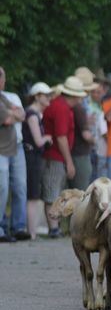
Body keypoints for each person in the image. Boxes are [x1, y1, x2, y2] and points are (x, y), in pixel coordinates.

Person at [42, 76, 88, 237]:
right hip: (55, 156)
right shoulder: (61, 108)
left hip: (56, 155)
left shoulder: (61, 105)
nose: (81, 98)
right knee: (53, 191)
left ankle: (56, 228)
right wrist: (69, 162)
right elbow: (61, 137)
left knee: (55, 189)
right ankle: (54, 229)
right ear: (74, 95)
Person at [22, 83, 53, 239]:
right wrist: (47, 138)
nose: (48, 98)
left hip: (34, 157)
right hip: (32, 157)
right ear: (37, 96)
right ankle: (31, 232)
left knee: (34, 194)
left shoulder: (35, 114)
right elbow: (38, 141)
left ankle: (32, 230)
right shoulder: (32, 115)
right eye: (45, 95)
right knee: (33, 195)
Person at [0, 66, 27, 241]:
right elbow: (9, 119)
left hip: (17, 147)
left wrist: (12, 113)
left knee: (20, 187)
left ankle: (18, 227)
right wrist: (13, 113)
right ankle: (1, 228)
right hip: (1, 148)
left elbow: (22, 115)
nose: (3, 80)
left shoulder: (8, 96)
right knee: (2, 188)